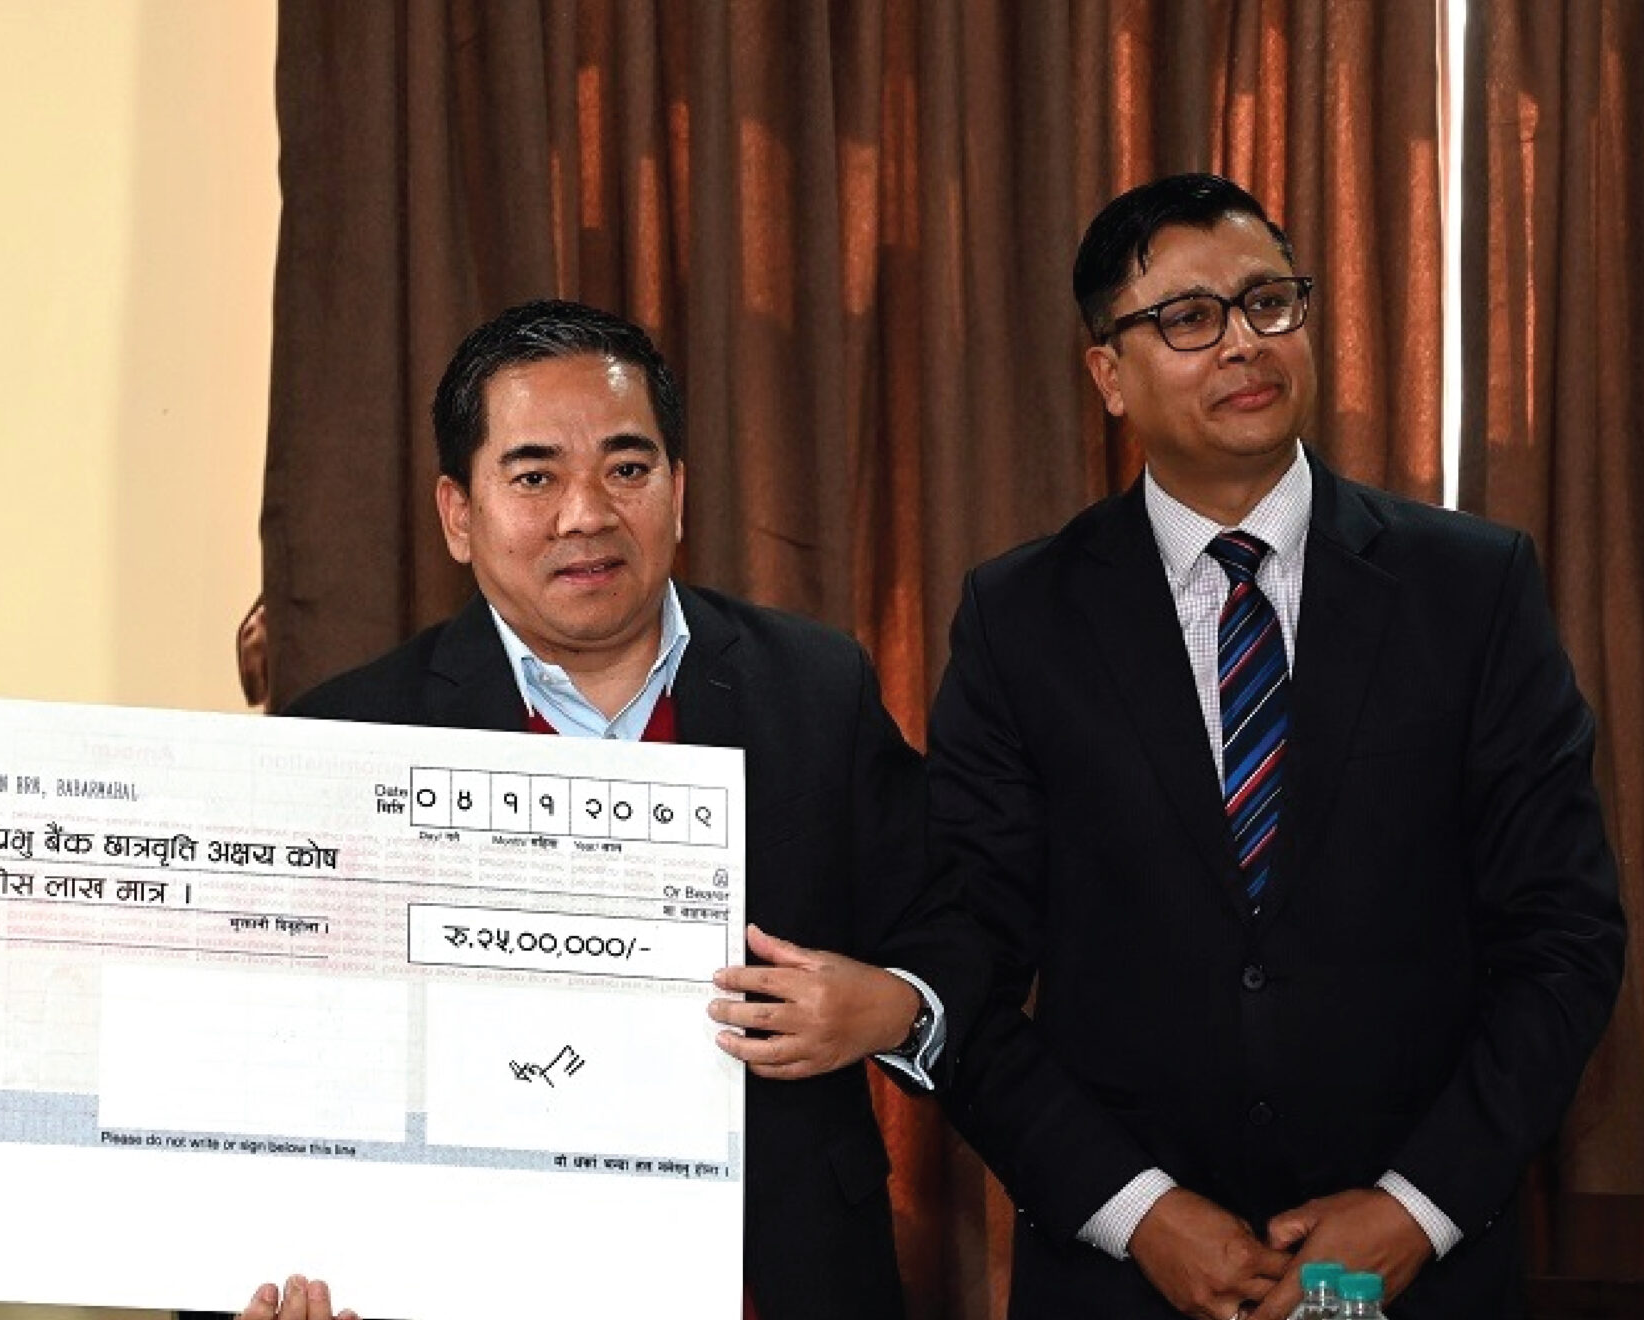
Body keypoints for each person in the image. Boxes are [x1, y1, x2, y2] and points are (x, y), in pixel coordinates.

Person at [929, 173, 1627, 1320]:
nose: (1242, 342)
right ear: (1108, 375)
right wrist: (1137, 1211)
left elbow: (1564, 934)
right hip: (1124, 1280)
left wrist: (1415, 1208)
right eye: (1187, 318)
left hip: (1420, 1270)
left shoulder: (1470, 589)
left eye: (1268, 302)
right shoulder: (1019, 620)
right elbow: (960, 971)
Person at [210, 299, 984, 1320]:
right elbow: (260, 1064)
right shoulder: (348, 736)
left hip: (777, 1279)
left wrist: (892, 1006)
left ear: (678, 492)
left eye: (626, 467)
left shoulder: (811, 686)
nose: (586, 513)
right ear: (458, 513)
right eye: (534, 477)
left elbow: (953, 922)